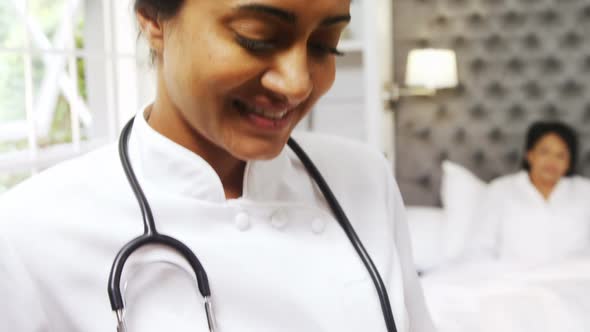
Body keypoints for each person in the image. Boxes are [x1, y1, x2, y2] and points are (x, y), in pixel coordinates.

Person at [0, 1, 435, 331]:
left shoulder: (365, 178)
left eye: (325, 46)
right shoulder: (27, 236)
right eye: (257, 38)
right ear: (153, 16)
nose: (297, 83)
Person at [467, 121, 590, 263]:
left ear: (569, 162)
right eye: (545, 152)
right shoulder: (501, 190)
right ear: (530, 155)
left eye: (560, 155)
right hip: (512, 278)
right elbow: (480, 247)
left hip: (575, 277)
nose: (552, 162)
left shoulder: (585, 191)